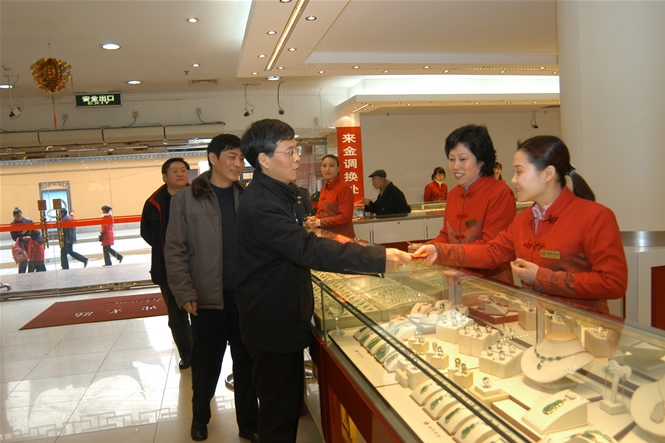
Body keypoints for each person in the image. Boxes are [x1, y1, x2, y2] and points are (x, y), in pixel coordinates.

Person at [235, 119, 412, 442]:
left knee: (286, 407)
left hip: (280, 317)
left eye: (296, 150)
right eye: (290, 151)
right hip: (271, 324)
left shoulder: (278, 195)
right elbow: (307, 248)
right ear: (264, 159)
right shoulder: (261, 204)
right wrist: (377, 257)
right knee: (279, 416)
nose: (298, 158)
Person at [414, 135, 628, 314]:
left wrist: (541, 277)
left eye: (519, 171)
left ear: (548, 174)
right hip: (535, 324)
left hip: (584, 329)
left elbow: (614, 283)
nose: (513, 180)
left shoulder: (595, 216)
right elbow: (491, 253)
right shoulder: (523, 219)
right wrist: (438, 250)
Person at [165, 135, 259, 443]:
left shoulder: (246, 196)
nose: (238, 164)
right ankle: (200, 419)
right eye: (231, 157)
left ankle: (249, 424)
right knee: (206, 365)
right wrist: (184, 292)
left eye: (241, 158)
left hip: (244, 298)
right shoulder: (186, 199)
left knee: (247, 365)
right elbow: (175, 249)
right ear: (213, 158)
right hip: (206, 300)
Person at [410, 124, 516, 283]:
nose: (455, 166)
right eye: (451, 159)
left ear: (481, 160)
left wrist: (441, 251)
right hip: (457, 280)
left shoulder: (500, 193)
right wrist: (427, 247)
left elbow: (492, 250)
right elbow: (447, 235)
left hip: (491, 283)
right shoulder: (454, 194)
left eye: (463, 159)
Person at [141, 158, 193, 371]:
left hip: (199, 266)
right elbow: (147, 233)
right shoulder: (154, 202)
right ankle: (187, 354)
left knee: (202, 313)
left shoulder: (200, 196)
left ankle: (203, 352)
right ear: (164, 176)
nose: (180, 174)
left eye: (183, 170)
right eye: (175, 171)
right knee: (177, 315)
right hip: (167, 268)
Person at [305, 154, 356, 237]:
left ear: (338, 168)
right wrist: (314, 219)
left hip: (342, 237)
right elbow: (321, 212)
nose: (327, 169)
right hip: (327, 236)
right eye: (324, 166)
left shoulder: (344, 188)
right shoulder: (323, 189)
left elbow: (345, 217)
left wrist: (320, 222)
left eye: (331, 166)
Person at [10, 208, 37, 274]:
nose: (19, 218)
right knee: (22, 260)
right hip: (21, 244)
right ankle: (21, 273)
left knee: (31, 258)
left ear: (22, 214)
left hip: (30, 242)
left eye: (20, 216)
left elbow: (35, 231)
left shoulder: (28, 221)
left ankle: (31, 272)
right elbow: (14, 237)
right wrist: (22, 238)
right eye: (17, 217)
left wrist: (30, 236)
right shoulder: (13, 224)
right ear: (14, 216)